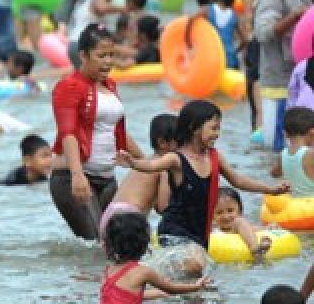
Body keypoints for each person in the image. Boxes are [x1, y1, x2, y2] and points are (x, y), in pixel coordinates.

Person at [116, 100, 289, 267]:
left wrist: (270, 189)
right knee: (195, 266)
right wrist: (133, 162)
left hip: (199, 232)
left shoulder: (215, 157)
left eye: (218, 128)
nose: (217, 133)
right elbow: (152, 165)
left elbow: (238, 180)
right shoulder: (176, 159)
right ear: (194, 128)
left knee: (200, 285)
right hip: (174, 230)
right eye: (213, 128)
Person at [49, 24, 142, 241]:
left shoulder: (110, 85)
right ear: (83, 55)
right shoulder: (69, 86)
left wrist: (146, 163)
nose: (108, 61)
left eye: (112, 55)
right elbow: (68, 133)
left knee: (117, 243)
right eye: (101, 56)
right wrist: (77, 175)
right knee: (97, 246)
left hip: (108, 179)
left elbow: (115, 131)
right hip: (74, 178)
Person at [98, 212, 213, 304]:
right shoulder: (143, 272)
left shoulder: (108, 271)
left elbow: (123, 298)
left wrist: (158, 294)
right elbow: (171, 288)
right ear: (143, 243)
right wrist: (196, 286)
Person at [255, 0, 314, 166]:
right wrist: (294, 17)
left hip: (297, 81)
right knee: (279, 150)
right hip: (279, 82)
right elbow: (263, 33)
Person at [100, 114, 178, 241]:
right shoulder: (164, 165)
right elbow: (163, 207)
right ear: (163, 143)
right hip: (129, 218)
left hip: (110, 215)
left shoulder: (147, 162)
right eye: (180, 141)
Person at [69, 0, 125, 67]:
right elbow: (102, 8)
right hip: (83, 45)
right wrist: (124, 9)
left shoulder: (88, 0)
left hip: (74, 44)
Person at [213, 189, 274, 261]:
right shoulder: (213, 230)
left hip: (249, 252)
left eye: (230, 211)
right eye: (219, 213)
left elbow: (250, 229)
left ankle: (256, 251)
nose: (226, 216)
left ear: (240, 211)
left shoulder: (238, 224)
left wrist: (267, 228)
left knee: (239, 221)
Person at [281, 107, 314, 197]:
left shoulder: (283, 154)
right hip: (310, 207)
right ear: (312, 133)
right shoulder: (310, 154)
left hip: (292, 207)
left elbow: (274, 173)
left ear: (285, 134)